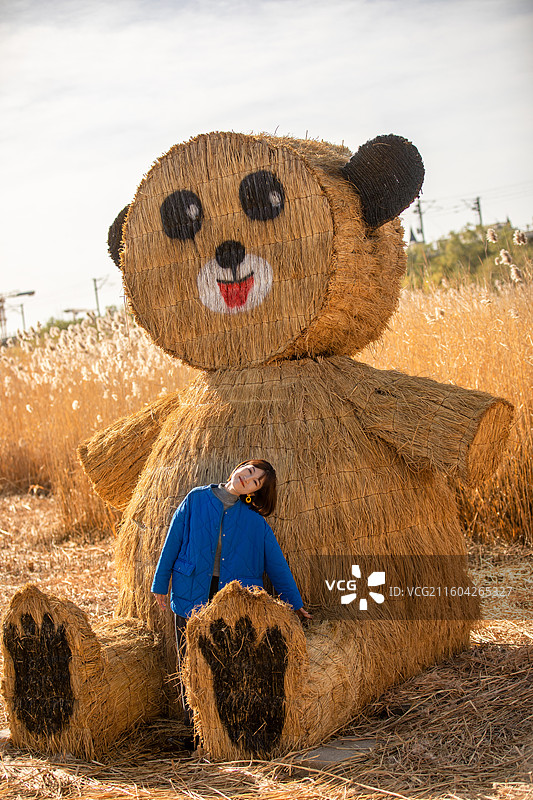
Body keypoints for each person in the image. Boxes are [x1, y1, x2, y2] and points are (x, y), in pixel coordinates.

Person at [151, 459, 311, 724]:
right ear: (239, 468)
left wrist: (294, 602)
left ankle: (222, 730)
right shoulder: (196, 499)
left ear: (255, 492)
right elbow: (173, 541)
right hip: (190, 591)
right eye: (248, 472)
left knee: (223, 664)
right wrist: (160, 584)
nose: (247, 479)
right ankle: (192, 730)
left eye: (255, 481)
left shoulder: (254, 521)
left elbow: (276, 563)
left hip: (231, 601)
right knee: (189, 662)